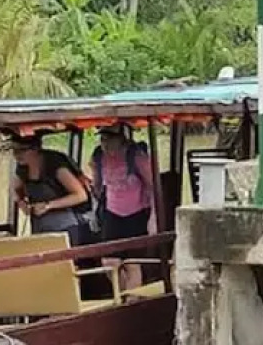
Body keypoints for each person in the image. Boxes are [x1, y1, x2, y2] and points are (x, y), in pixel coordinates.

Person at [91, 124, 157, 290]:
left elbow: (153, 187)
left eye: (110, 138)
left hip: (136, 213)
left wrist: (153, 218)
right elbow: (97, 186)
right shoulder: (99, 156)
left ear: (122, 138)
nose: (105, 143)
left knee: (132, 263)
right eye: (103, 139)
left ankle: (133, 301)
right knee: (109, 262)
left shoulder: (135, 156)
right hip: (112, 212)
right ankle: (121, 297)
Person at [11, 133, 94, 241]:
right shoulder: (22, 167)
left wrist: (48, 206)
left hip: (66, 227)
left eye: (22, 150)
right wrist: (21, 202)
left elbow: (81, 195)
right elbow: (15, 189)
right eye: (14, 150)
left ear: (36, 148)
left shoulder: (54, 164)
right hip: (40, 229)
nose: (17, 154)